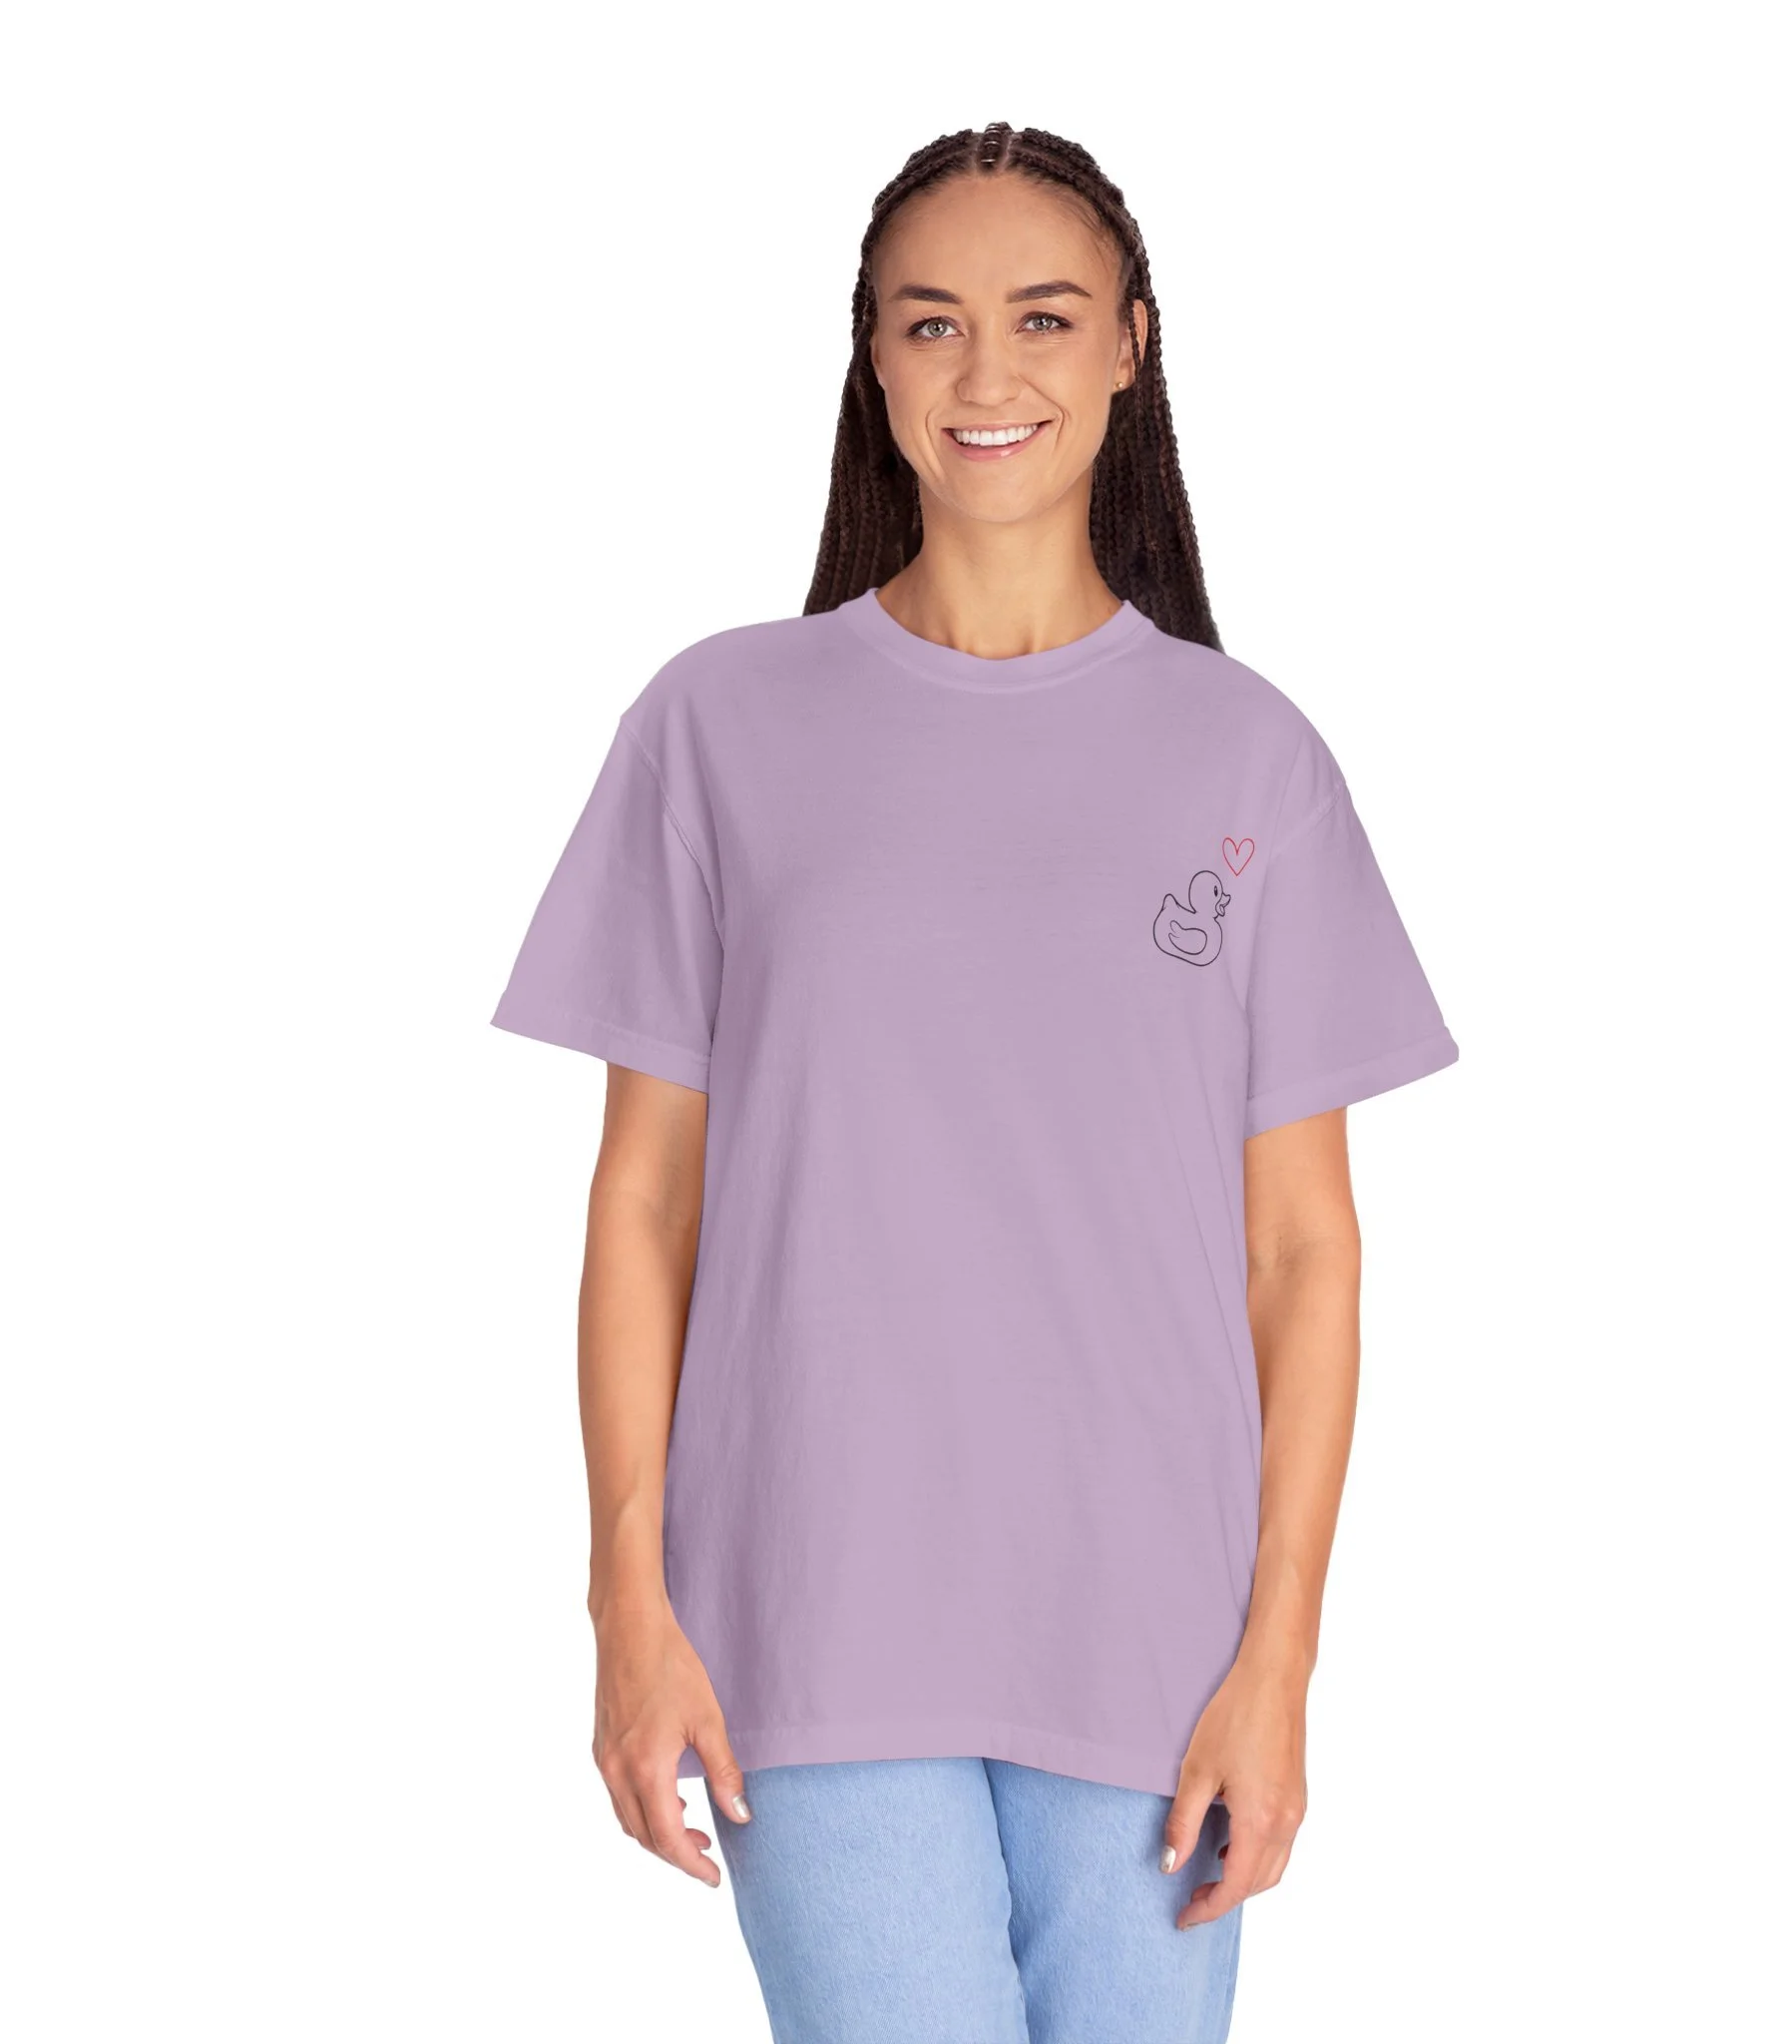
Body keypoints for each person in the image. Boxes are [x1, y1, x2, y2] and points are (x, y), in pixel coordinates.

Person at [489, 120, 1459, 2044]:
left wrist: (1280, 1659)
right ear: (871, 357)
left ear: (1133, 345)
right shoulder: (717, 726)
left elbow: (1303, 1258)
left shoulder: (1249, 760)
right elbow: (644, 1204)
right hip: (810, 1609)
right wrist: (627, 1604)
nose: (986, 371)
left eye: (1044, 317)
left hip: (1156, 1639)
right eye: (930, 322)